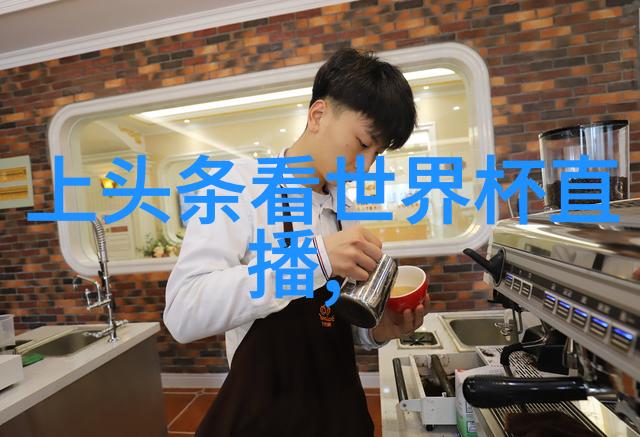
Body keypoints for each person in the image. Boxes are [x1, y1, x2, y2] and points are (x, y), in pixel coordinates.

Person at [164, 48, 428, 436]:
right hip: (267, 416)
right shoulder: (236, 187)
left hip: (338, 415)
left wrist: (377, 330)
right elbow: (183, 312)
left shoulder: (345, 210)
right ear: (318, 115)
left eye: (377, 153)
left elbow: (332, 323)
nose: (367, 165)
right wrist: (312, 261)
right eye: (361, 143)